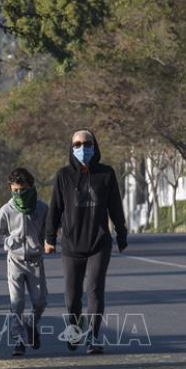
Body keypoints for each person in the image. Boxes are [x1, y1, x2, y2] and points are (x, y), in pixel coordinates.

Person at [44, 129, 128, 355]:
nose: (83, 148)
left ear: (95, 146)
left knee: (94, 290)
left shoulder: (106, 174)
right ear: (71, 148)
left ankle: (93, 335)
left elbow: (116, 208)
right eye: (78, 144)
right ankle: (74, 326)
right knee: (72, 298)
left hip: (99, 244)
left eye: (87, 143)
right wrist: (50, 238)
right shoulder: (63, 175)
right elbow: (55, 208)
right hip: (71, 246)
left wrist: (121, 235)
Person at [0, 168, 48, 357]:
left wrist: (48, 243)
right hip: (15, 262)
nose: (18, 193)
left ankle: (31, 324)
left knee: (40, 301)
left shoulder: (42, 208)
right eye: (15, 190)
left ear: (31, 187)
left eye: (22, 189)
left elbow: (49, 230)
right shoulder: (6, 210)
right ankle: (18, 340)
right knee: (16, 303)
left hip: (35, 261)